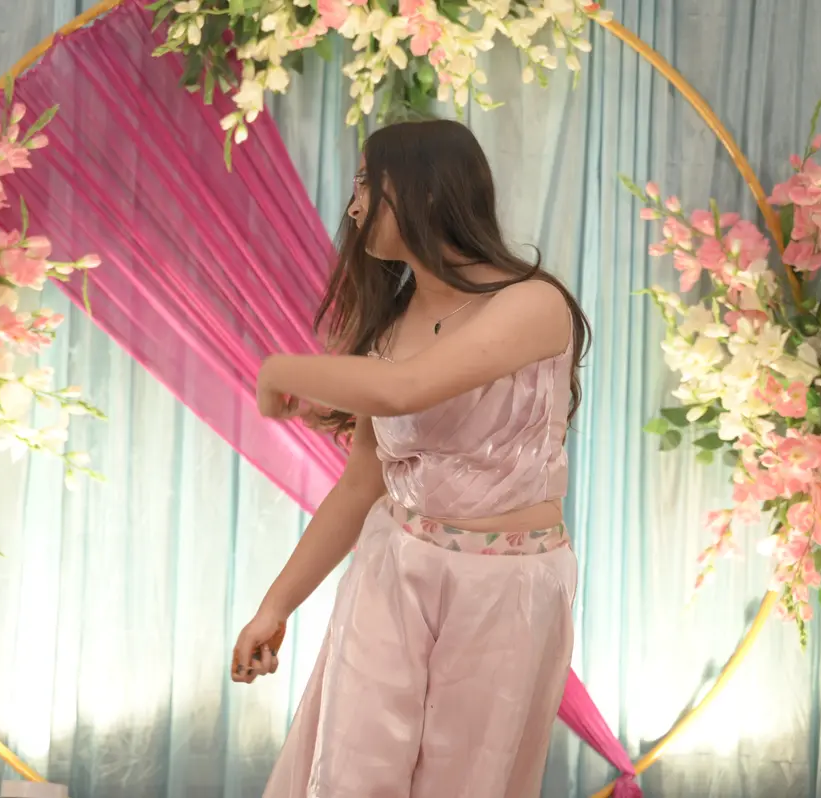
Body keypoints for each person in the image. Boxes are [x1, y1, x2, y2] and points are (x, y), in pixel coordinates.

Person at [231, 118, 591, 798]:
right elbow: (360, 486)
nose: (353, 206)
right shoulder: (391, 325)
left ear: (425, 190)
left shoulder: (533, 304)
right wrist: (275, 605)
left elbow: (407, 389)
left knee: (464, 782)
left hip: (506, 590)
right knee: (352, 773)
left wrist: (278, 369)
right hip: (391, 566)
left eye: (368, 184)